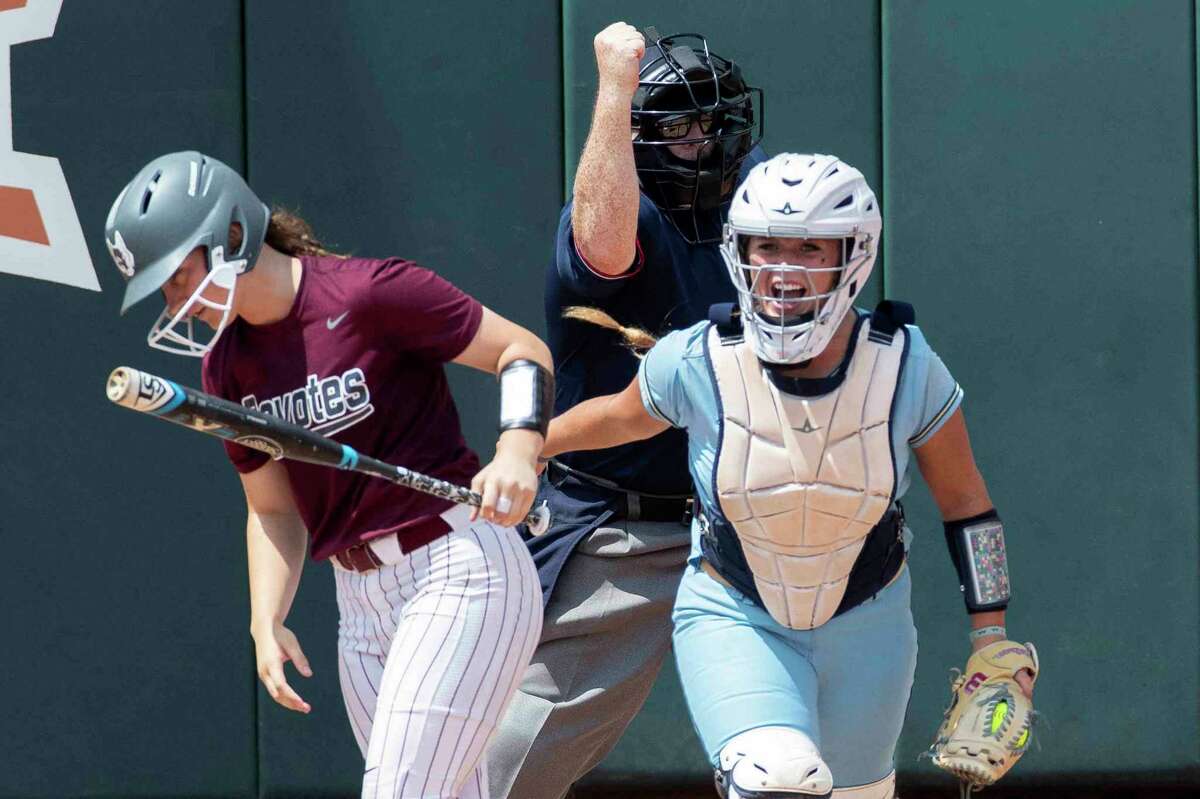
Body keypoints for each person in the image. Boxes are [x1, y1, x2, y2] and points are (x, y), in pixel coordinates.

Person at [535, 152, 1038, 798]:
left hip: (869, 622)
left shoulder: (905, 365)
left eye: (809, 248)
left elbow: (970, 508)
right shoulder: (701, 357)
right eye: (766, 246)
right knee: (779, 777)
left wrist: (991, 638)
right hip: (736, 611)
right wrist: (528, 444)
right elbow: (615, 418)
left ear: (853, 256)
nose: (783, 269)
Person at [104, 151, 550, 799]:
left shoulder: (367, 293)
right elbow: (273, 510)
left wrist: (516, 450)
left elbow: (522, 351)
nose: (174, 301)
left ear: (230, 234)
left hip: (459, 567)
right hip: (360, 606)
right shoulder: (226, 366)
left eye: (175, 275)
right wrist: (266, 615)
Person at [485, 23, 763, 799]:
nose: (700, 140)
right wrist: (615, 85)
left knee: (795, 750)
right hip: (624, 525)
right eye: (675, 123)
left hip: (752, 515)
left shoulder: (764, 200)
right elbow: (602, 246)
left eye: (711, 120)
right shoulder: (621, 211)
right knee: (511, 755)